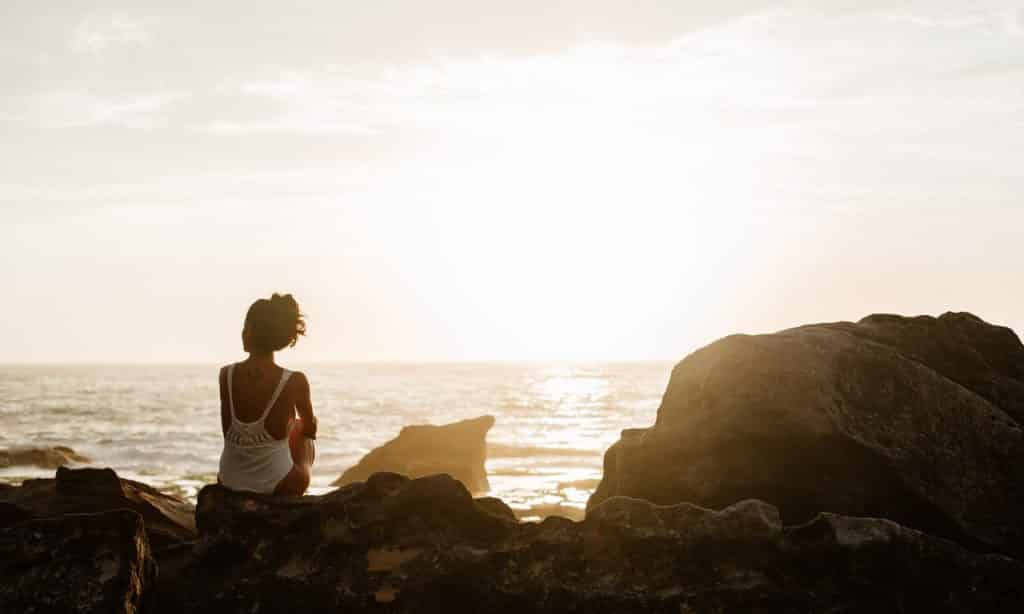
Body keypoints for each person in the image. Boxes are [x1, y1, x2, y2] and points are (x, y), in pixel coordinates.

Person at [217, 293, 317, 495]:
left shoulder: (226, 375)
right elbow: (310, 429)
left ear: (250, 331)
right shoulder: (295, 381)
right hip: (280, 485)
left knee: (285, 429)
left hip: (227, 481)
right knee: (302, 427)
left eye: (245, 328)